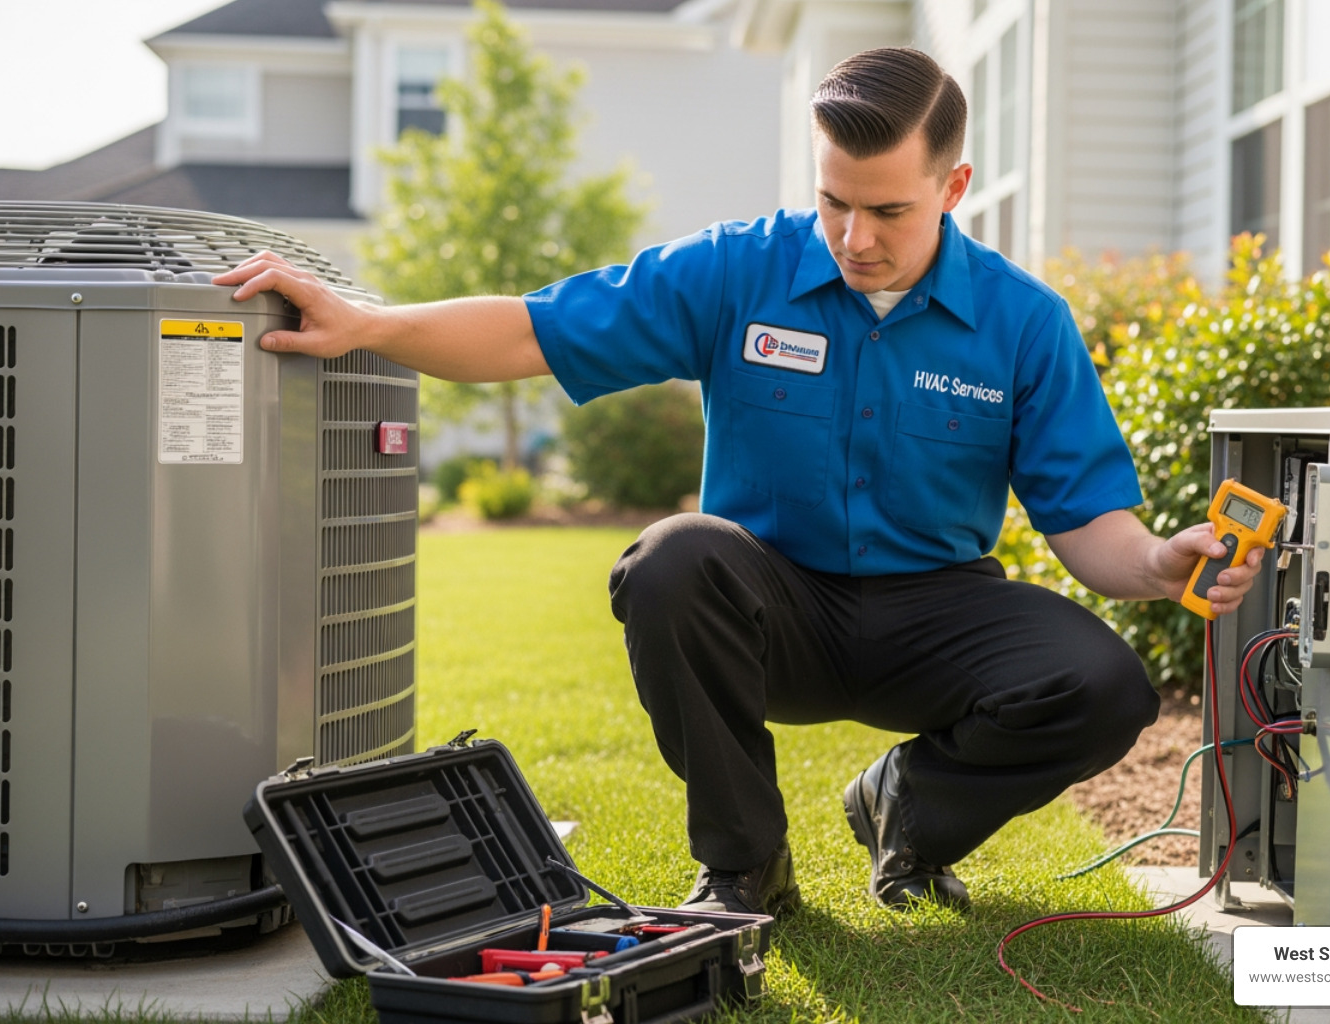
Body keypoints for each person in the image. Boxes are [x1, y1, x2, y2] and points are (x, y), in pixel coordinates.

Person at [214, 47, 1263, 918]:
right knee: (670, 561)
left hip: (936, 612)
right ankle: (746, 867)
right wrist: (373, 326)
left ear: (953, 187)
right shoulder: (737, 270)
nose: (854, 238)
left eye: (888, 211)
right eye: (833, 202)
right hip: (770, 606)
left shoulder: (1023, 322)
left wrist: (1162, 561)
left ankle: (905, 808)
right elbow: (537, 327)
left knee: (1107, 684)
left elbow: (1091, 527)